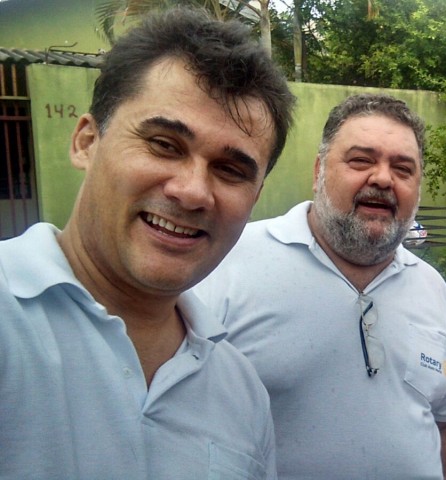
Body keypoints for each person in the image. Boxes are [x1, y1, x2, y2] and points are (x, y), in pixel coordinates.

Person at [0, 8, 295, 479]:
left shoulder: (240, 392)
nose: (193, 192)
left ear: (254, 198)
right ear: (87, 142)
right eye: (164, 145)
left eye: (230, 170)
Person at [194, 93, 446, 479]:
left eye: (403, 168)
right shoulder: (228, 264)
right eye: (360, 160)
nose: (382, 178)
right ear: (319, 172)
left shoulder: (433, 288)